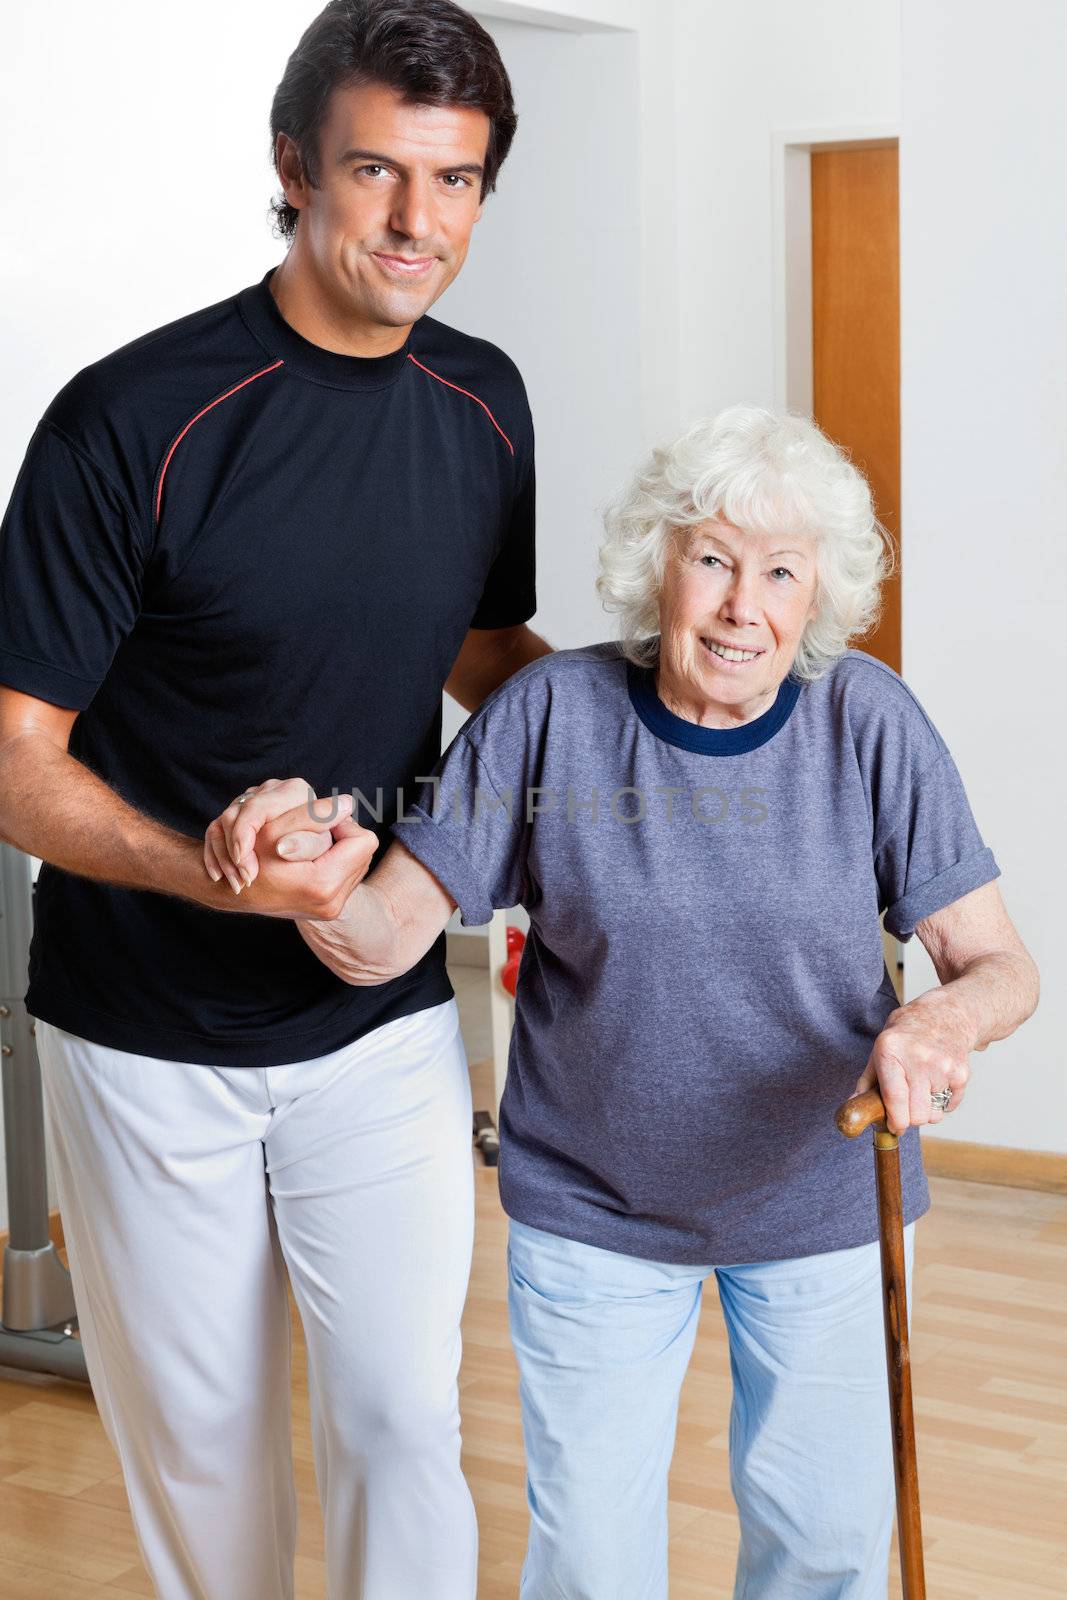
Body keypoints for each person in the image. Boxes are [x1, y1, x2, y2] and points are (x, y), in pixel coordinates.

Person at [214, 404, 1040, 1600]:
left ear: (820, 595)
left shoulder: (866, 720)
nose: (738, 605)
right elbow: (382, 934)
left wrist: (938, 1020)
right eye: (707, 558)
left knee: (821, 1547)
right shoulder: (554, 717)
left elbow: (1000, 967)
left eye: (777, 572)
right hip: (593, 1210)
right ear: (655, 565)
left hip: (822, 1199)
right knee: (590, 1564)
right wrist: (308, 880)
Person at [0, 3, 553, 1597]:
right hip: (141, 1029)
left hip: (374, 1020)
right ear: (293, 166)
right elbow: (18, 760)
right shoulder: (131, 417)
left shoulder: (484, 401)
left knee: (399, 1429)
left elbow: (480, 651)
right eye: (375, 170)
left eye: (452, 182)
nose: (412, 222)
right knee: (208, 1465)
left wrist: (676, 723)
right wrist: (213, 870)